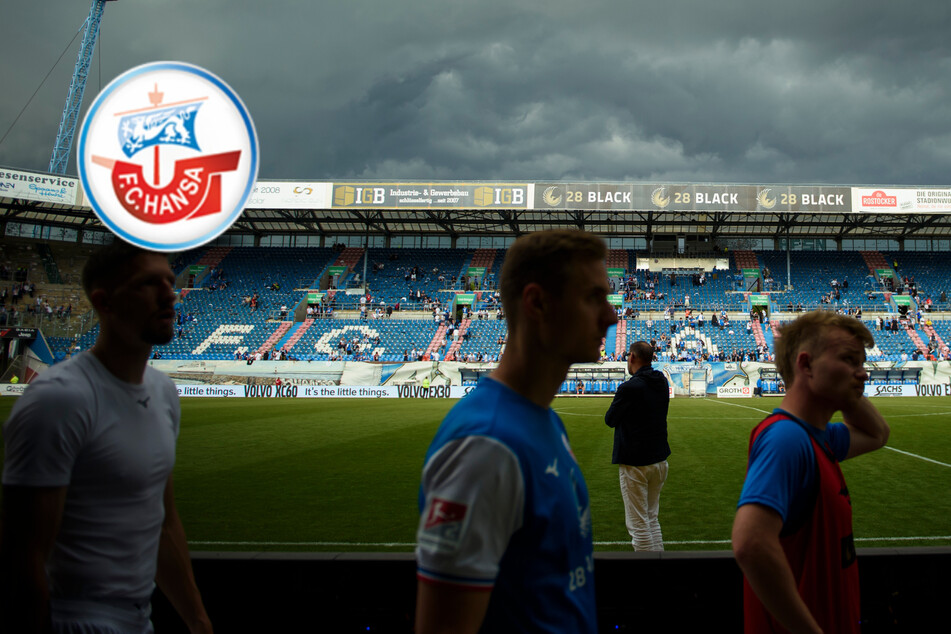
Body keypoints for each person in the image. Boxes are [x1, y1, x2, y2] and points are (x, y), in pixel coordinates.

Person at [0, 242, 212, 634]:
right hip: (71, 618)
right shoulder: (59, 400)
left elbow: (163, 521)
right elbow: (23, 557)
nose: (170, 293)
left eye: (170, 280)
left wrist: (198, 621)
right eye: (148, 284)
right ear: (104, 302)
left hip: (138, 618)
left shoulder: (163, 392)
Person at [415, 230, 617, 633]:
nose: (612, 316)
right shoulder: (483, 448)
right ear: (537, 302)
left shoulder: (544, 420)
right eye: (594, 297)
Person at [732, 311, 890, 634]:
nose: (863, 374)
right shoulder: (787, 439)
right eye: (849, 360)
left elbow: (878, 435)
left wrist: (845, 387)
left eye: (862, 364)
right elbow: (750, 543)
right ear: (805, 365)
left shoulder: (819, 437)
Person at [604, 341, 671, 551]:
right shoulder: (660, 380)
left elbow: (610, 419)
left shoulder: (630, 387)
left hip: (636, 462)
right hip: (659, 459)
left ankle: (648, 577)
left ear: (632, 357)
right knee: (651, 519)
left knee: (639, 526)